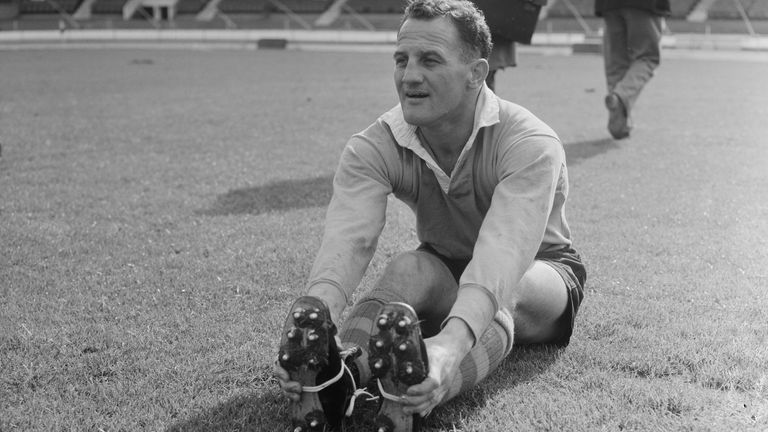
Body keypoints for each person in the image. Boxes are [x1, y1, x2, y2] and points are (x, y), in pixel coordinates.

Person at [274, 1, 586, 431]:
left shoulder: (529, 142)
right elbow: (351, 238)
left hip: (539, 274)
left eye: (429, 60)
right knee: (407, 266)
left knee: (505, 287)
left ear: (476, 73)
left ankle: (427, 386)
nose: (409, 76)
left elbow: (504, 253)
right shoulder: (373, 146)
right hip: (445, 261)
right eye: (401, 60)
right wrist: (319, 315)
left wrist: (450, 343)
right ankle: (338, 375)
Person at [595, 0, 670, 139]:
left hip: (608, 5)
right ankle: (620, 95)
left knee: (616, 64)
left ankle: (618, 126)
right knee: (648, 58)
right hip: (644, 5)